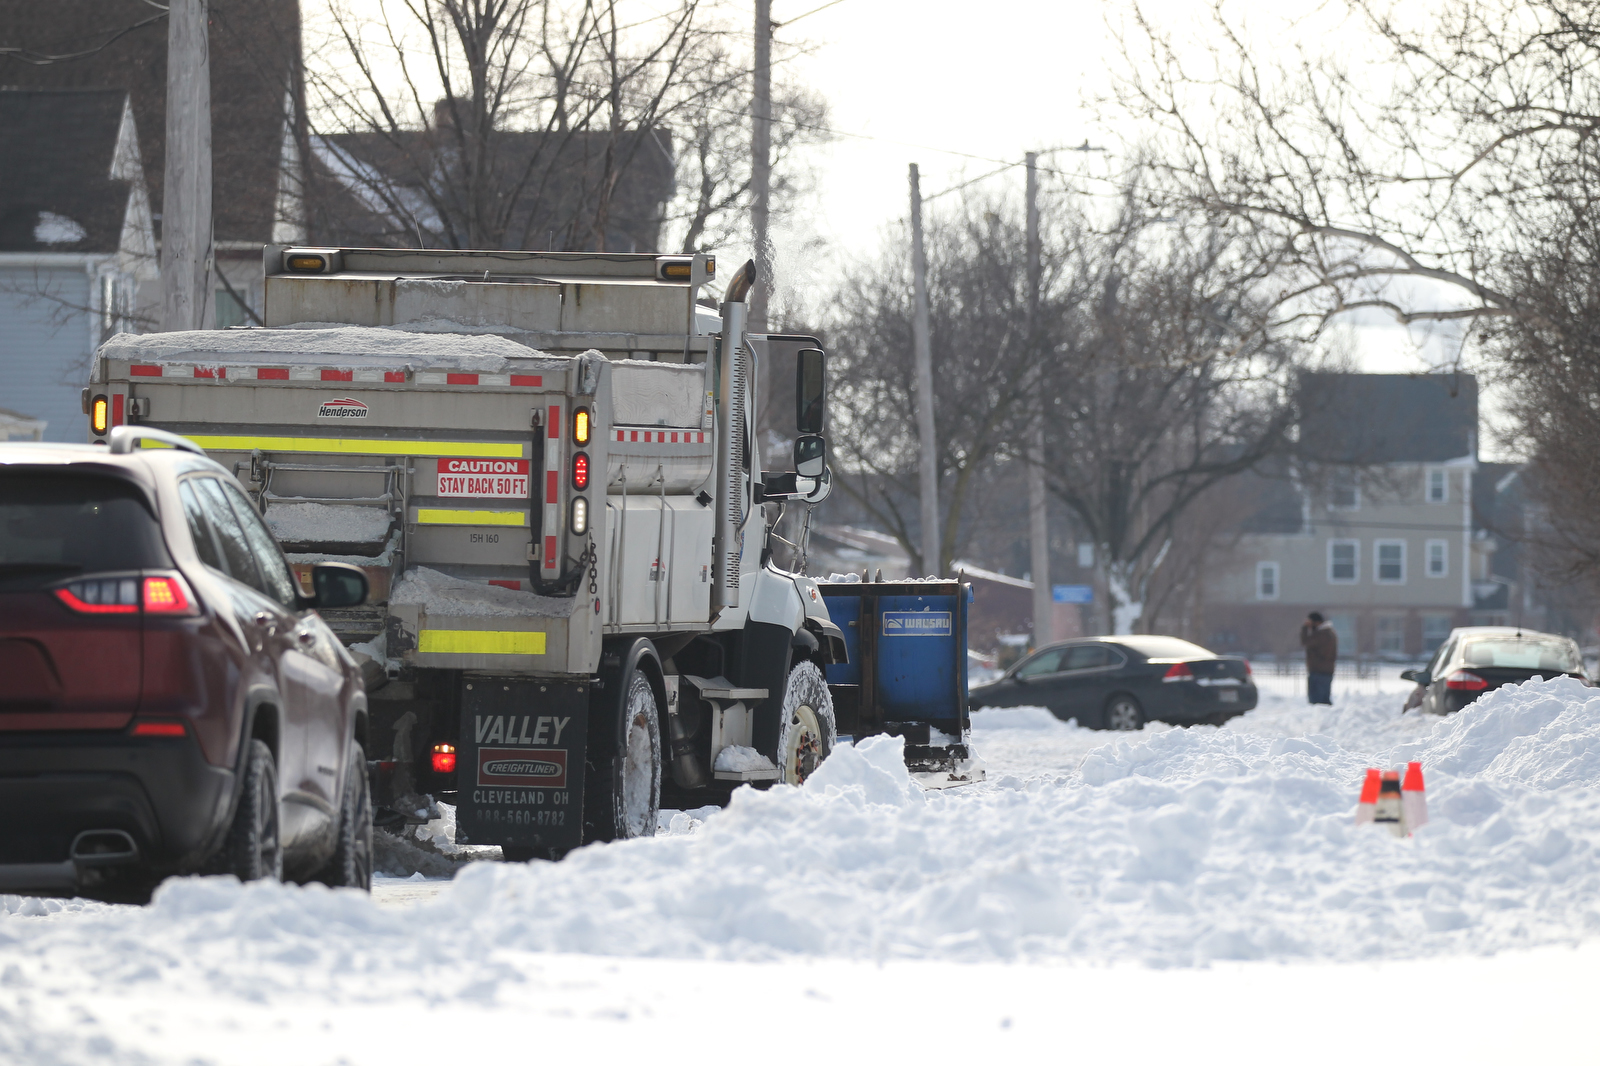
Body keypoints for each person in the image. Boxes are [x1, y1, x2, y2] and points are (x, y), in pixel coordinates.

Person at [1300, 611, 1337, 705]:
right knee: (1324, 701)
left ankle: (1324, 719)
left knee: (1317, 702)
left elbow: (1305, 642)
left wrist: (1304, 628)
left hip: (1318, 672)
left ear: (1316, 622)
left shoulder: (1321, 634)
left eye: (1310, 624)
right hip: (1326, 671)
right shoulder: (1329, 633)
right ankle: (1329, 718)